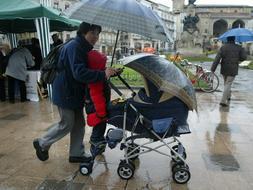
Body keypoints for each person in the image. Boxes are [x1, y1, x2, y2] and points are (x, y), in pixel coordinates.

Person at [33, 22, 118, 163]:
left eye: (98, 34)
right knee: (67, 123)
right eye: (93, 33)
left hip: (74, 92)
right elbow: (79, 73)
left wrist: (104, 71)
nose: (96, 37)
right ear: (84, 32)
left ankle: (76, 153)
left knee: (79, 123)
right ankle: (42, 142)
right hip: (66, 92)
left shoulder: (81, 47)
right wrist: (103, 74)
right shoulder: (75, 47)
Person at [85, 50, 111, 157]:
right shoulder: (95, 80)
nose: (104, 66)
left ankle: (99, 142)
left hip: (98, 109)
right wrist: (101, 113)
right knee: (98, 129)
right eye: (103, 65)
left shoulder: (96, 75)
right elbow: (96, 96)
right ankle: (95, 145)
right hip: (97, 111)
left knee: (100, 128)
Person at [211, 36, 247, 107]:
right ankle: (223, 101)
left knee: (226, 83)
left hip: (224, 68)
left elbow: (217, 59)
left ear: (227, 39)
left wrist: (212, 69)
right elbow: (243, 58)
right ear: (234, 39)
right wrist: (241, 52)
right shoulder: (238, 47)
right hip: (233, 68)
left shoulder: (223, 47)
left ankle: (228, 96)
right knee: (228, 83)